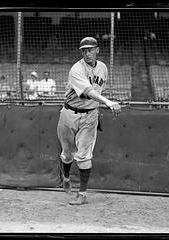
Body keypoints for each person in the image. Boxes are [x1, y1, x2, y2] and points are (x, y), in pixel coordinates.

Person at [57, 37, 121, 205]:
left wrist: (98, 105)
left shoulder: (103, 68)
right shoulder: (76, 69)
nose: (87, 53)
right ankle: (65, 176)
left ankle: (82, 194)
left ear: (97, 50)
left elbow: (98, 90)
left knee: (84, 156)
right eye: (84, 50)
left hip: (90, 115)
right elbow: (88, 91)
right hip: (69, 114)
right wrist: (107, 102)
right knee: (67, 154)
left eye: (90, 49)